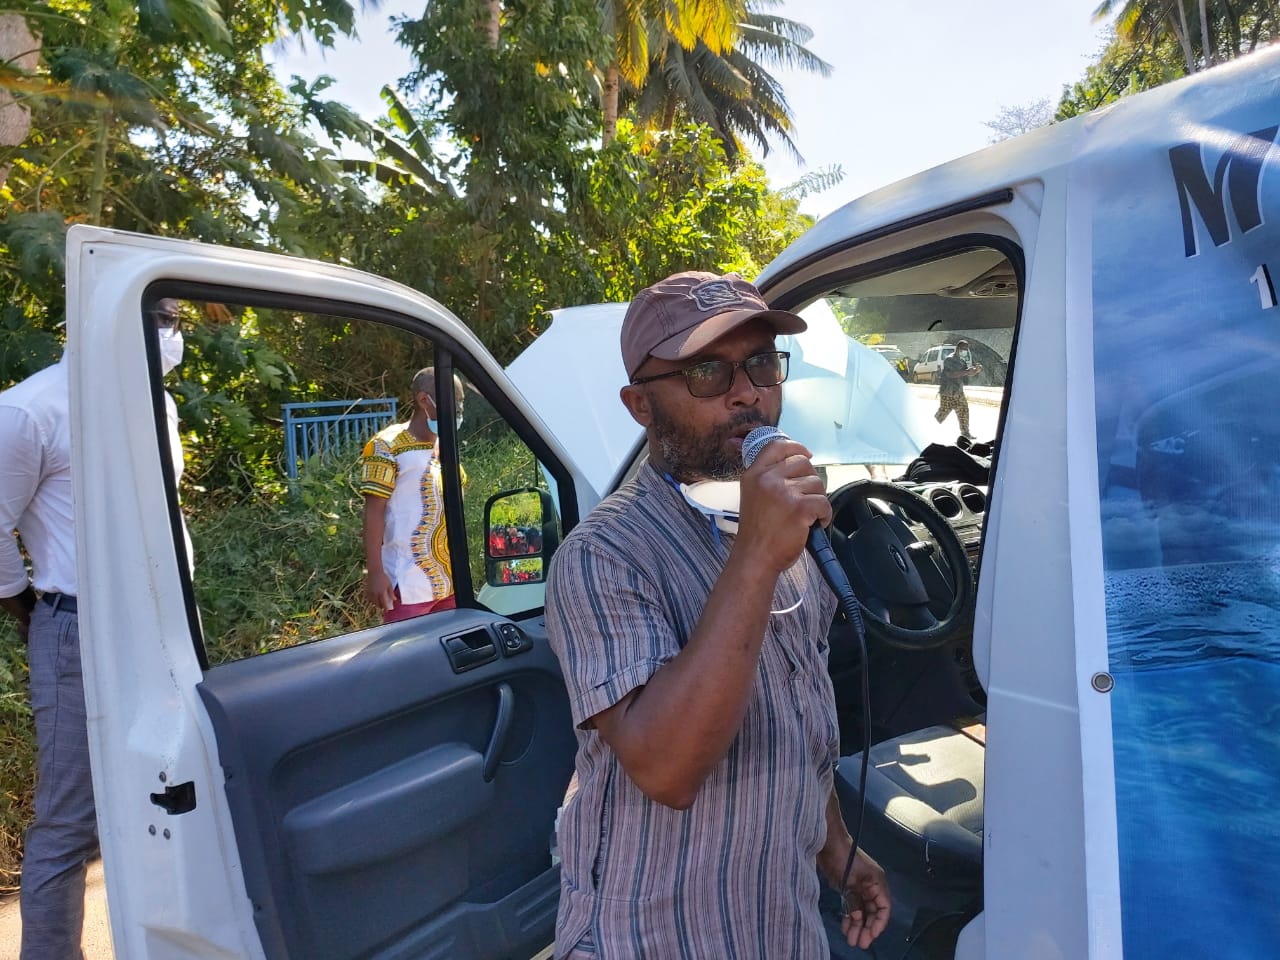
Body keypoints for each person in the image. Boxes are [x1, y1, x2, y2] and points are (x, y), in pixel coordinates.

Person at [545, 271, 891, 958]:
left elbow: (794, 715)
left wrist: (838, 850)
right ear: (640, 405)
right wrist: (758, 558)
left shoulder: (780, 527)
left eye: (761, 361)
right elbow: (667, 769)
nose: (749, 393)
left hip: (778, 925)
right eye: (708, 371)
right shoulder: (601, 557)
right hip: (650, 938)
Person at [1, 298, 187, 960]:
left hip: (163, 634)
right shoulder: (31, 408)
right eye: (160, 317)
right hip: (80, 633)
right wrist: (30, 613)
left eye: (174, 321)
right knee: (71, 823)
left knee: (169, 798)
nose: (173, 333)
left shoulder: (154, 403)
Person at [359, 367, 465, 623]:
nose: (458, 410)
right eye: (454, 401)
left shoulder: (445, 446)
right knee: (406, 656)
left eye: (461, 403)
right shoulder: (386, 446)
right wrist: (375, 572)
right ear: (423, 400)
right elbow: (374, 511)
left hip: (450, 582)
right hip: (406, 585)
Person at [935, 338, 982, 439]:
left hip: (958, 391)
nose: (965, 351)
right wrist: (967, 372)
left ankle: (965, 433)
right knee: (943, 413)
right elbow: (950, 374)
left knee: (964, 410)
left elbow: (967, 373)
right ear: (958, 348)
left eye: (966, 349)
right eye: (963, 349)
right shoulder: (949, 359)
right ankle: (930, 427)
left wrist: (976, 370)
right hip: (948, 392)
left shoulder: (962, 360)